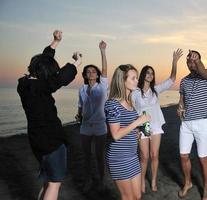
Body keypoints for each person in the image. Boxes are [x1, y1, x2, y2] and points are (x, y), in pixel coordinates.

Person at [17, 30, 82, 200]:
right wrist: (77, 62)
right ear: (46, 73)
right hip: (51, 141)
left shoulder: (23, 84)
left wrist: (55, 42)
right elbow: (60, 78)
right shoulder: (43, 86)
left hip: (36, 140)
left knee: (47, 181)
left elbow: (44, 61)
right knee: (54, 184)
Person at [131, 49, 183, 193]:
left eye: (152, 73)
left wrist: (174, 61)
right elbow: (131, 111)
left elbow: (172, 79)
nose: (150, 75)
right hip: (142, 125)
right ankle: (141, 182)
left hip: (155, 125)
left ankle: (153, 181)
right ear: (143, 75)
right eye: (147, 72)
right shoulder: (135, 92)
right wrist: (134, 127)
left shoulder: (155, 90)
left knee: (154, 155)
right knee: (144, 157)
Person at [104, 64, 151, 200]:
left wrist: (136, 133)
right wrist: (137, 121)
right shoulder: (112, 104)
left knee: (137, 196)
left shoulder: (130, 102)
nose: (137, 80)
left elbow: (127, 128)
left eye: (137, 78)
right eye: (133, 78)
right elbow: (116, 135)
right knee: (128, 197)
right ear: (122, 81)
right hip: (118, 158)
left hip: (132, 156)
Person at [177, 50, 207, 200]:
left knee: (202, 158)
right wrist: (179, 108)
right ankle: (188, 183)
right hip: (186, 123)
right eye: (189, 61)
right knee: (183, 155)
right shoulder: (184, 81)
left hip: (203, 122)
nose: (190, 63)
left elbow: (204, 71)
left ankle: (205, 188)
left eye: (193, 61)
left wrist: (197, 60)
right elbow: (181, 99)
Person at [75, 40, 108, 192]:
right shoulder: (82, 89)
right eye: (88, 71)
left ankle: (101, 181)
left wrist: (102, 51)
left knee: (99, 156)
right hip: (85, 127)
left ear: (97, 74)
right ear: (85, 75)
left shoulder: (102, 87)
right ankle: (88, 180)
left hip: (100, 126)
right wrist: (78, 115)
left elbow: (105, 69)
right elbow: (80, 106)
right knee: (86, 156)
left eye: (94, 71)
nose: (91, 73)